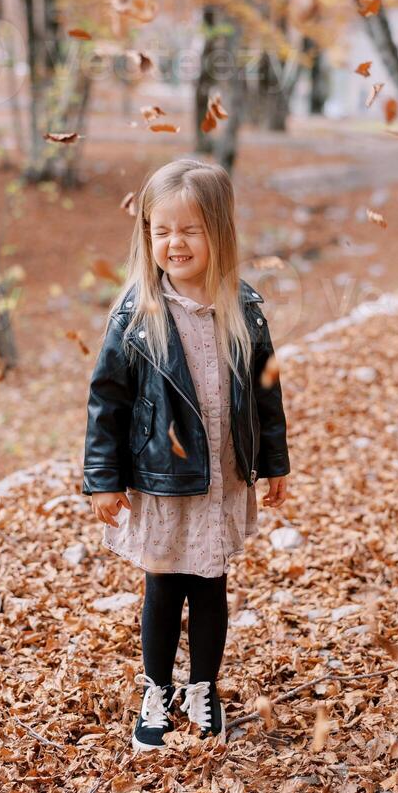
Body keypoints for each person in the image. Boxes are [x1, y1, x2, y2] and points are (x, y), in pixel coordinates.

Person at [82, 158, 291, 753]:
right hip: (161, 476)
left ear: (219, 233)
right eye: (162, 230)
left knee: (210, 585)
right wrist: (104, 478)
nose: (175, 243)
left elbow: (266, 391)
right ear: (146, 235)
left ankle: (203, 688)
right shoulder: (136, 315)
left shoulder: (243, 308)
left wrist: (273, 462)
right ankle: (156, 688)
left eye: (190, 230)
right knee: (163, 585)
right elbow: (108, 401)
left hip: (222, 474)